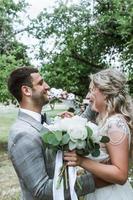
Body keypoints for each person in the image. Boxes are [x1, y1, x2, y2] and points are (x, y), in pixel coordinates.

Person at [7, 66, 96, 200]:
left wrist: (98, 95)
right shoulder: (23, 134)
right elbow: (42, 190)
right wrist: (99, 180)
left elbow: (81, 123)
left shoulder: (46, 121)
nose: (47, 86)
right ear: (26, 90)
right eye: (41, 83)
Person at [64, 68, 133, 200]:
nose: (88, 97)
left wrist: (81, 161)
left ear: (106, 93)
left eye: (92, 90)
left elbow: (120, 174)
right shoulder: (108, 120)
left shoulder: (115, 124)